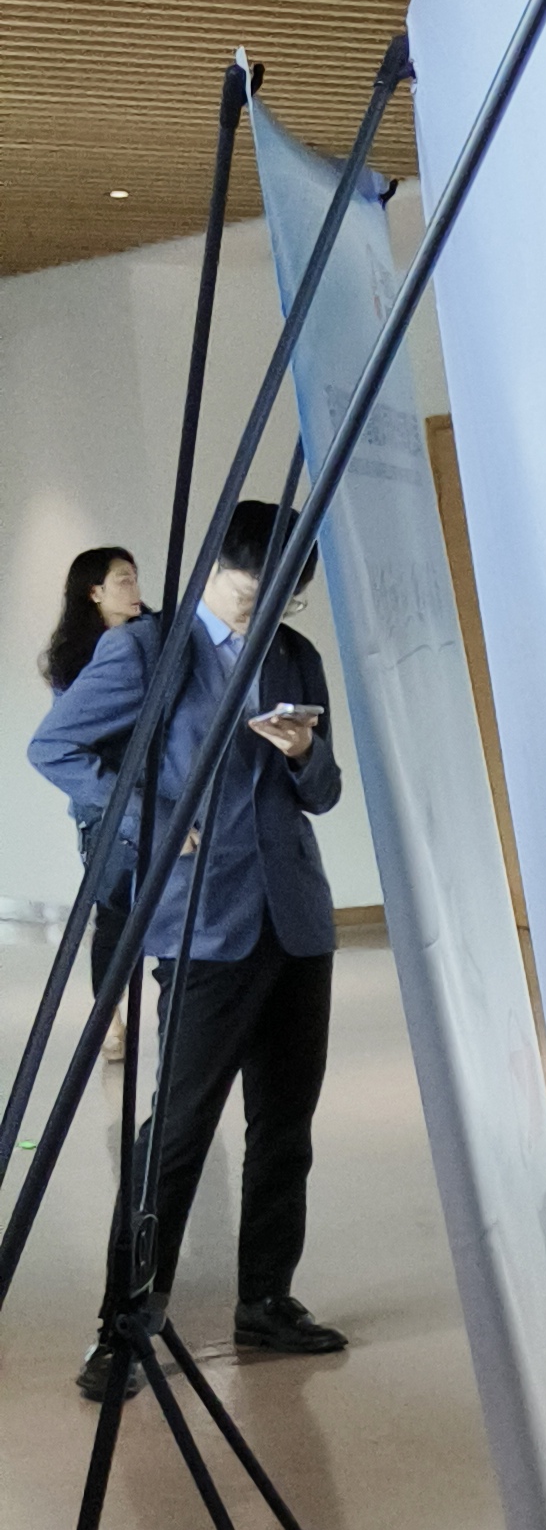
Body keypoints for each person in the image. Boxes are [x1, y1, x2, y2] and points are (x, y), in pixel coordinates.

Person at [33, 498, 347, 1395]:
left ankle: (267, 1299)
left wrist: (302, 753)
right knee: (175, 1134)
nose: (270, 606)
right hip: (204, 924)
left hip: (296, 919)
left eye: (287, 593)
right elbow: (55, 747)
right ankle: (122, 1324)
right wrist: (155, 818)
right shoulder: (147, 650)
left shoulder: (295, 653)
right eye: (256, 588)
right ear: (216, 568)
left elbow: (323, 792)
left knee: (284, 1126)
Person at [33, 541, 149, 1055]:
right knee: (115, 914)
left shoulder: (151, 641)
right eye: (123, 580)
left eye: (135, 577)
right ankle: (109, 1018)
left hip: (153, 794)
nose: (135, 589)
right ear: (94, 592)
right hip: (106, 808)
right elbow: (63, 743)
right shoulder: (76, 662)